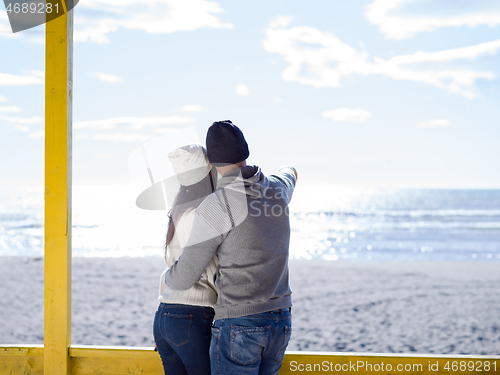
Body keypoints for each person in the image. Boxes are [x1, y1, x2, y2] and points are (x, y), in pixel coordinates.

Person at [165, 120, 298, 375]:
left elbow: (184, 278)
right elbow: (291, 172)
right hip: (281, 320)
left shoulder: (217, 206)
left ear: (212, 164)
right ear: (245, 153)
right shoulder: (278, 189)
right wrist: (285, 171)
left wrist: (165, 276)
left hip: (240, 323)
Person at [153, 144, 219, 375]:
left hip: (165, 315)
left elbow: (171, 270)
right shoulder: (203, 213)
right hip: (192, 316)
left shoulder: (179, 210)